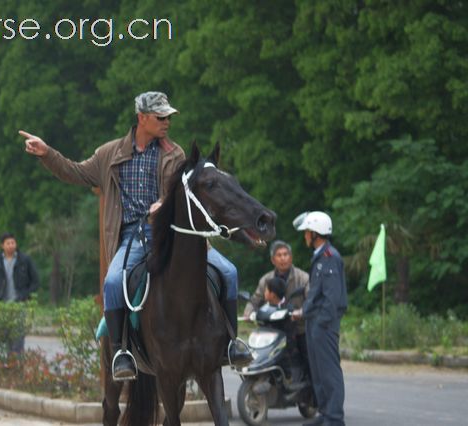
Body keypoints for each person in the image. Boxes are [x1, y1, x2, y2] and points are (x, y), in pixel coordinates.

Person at [19, 91, 251, 381]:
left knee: (229, 271)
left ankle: (231, 345)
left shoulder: (175, 153)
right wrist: (47, 153)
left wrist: (165, 205)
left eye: (168, 116)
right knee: (114, 282)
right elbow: (75, 172)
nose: (167, 122)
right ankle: (121, 353)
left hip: (175, 235)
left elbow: (184, 196)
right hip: (132, 236)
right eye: (160, 117)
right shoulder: (108, 154)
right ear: (142, 118)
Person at [291, 211, 347, 426]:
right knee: (318, 372)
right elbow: (316, 293)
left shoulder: (329, 257)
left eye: (307, 232)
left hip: (324, 323)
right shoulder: (319, 257)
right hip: (314, 322)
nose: (305, 236)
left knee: (329, 372)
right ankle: (325, 413)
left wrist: (322, 321)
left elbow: (332, 297)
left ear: (315, 233)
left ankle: (334, 418)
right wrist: (303, 311)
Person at [244, 240, 310, 381]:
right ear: (273, 260)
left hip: (299, 328)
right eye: (279, 255)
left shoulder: (303, 278)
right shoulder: (266, 280)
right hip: (272, 329)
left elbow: (311, 301)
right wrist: (248, 312)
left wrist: (302, 312)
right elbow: (255, 300)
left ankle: (312, 394)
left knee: (309, 360)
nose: (283, 258)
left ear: (291, 257)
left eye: (286, 254)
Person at [0, 232, 40, 354]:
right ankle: (9, 365)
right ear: (2, 245)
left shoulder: (24, 260)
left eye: (13, 242)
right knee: (6, 337)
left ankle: (17, 365)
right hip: (3, 305)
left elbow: (36, 281)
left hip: (19, 304)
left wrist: (25, 295)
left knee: (18, 337)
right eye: (8, 243)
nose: (11, 245)